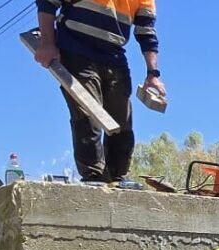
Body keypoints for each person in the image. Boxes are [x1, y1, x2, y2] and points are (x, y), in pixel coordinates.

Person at [33, 0, 167, 183]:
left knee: (122, 120)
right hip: (76, 49)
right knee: (86, 113)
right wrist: (47, 43)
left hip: (114, 56)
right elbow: (47, 3)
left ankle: (117, 177)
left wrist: (153, 75)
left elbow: (146, 32)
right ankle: (93, 176)